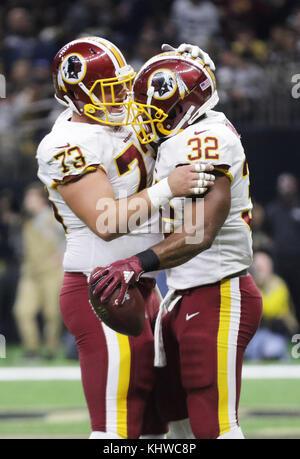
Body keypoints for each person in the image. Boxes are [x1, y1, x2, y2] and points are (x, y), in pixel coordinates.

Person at [36, 36, 215, 439]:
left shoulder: (122, 119)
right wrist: (168, 188)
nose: (120, 97)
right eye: (108, 91)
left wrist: (191, 75)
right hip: (99, 285)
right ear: (76, 93)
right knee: (118, 424)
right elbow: (106, 221)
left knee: (159, 421)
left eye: (122, 86)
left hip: (142, 280)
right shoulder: (65, 145)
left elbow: (177, 114)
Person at [90, 50, 263, 439]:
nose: (146, 117)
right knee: (177, 425)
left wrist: (136, 263)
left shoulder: (207, 138)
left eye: (154, 109)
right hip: (185, 295)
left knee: (213, 425)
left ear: (184, 107)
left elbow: (199, 233)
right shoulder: (186, 133)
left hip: (219, 292)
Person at [13, 183, 64, 360]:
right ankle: (32, 349)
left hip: (52, 272)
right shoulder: (26, 220)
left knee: (52, 312)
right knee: (22, 310)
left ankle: (50, 350)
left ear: (41, 200)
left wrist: (62, 256)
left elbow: (69, 238)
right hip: (31, 273)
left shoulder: (53, 218)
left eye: (31, 198)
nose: (27, 201)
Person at [245, 251, 298, 361]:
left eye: (261, 268)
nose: (258, 272)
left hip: (274, 333)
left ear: (269, 268)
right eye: (256, 268)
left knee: (272, 350)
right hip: (255, 334)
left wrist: (252, 287)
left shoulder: (278, 284)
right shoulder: (249, 286)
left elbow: (269, 310)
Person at [265, 173, 300, 328]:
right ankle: (283, 330)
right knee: (280, 295)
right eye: (283, 185)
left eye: (288, 185)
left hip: (298, 260)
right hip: (279, 260)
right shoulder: (272, 210)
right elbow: (266, 232)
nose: (286, 189)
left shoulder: (298, 208)